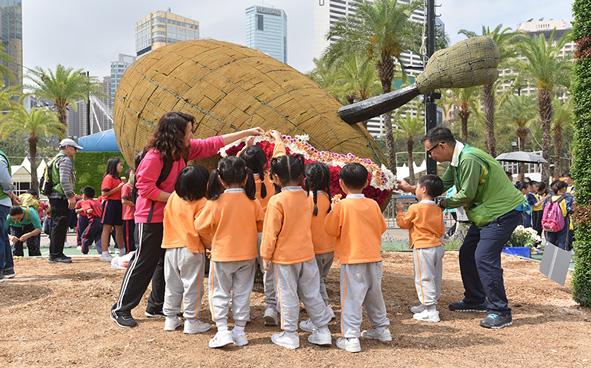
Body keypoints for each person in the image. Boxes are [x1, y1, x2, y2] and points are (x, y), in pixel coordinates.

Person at [110, 111, 264, 328]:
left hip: (172, 217)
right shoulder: (155, 156)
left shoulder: (183, 150)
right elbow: (144, 188)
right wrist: (179, 198)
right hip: (150, 218)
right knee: (144, 261)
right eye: (189, 130)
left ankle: (157, 306)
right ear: (176, 132)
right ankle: (121, 308)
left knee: (165, 263)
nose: (192, 134)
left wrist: (246, 133)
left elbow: (214, 143)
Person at [397, 127, 526, 330]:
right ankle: (475, 299)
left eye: (429, 151)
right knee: (467, 252)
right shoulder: (457, 160)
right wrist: (415, 189)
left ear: (441, 146)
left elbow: (466, 194)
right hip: (485, 215)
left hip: (502, 212)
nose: (430, 155)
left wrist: (439, 205)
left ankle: (500, 311)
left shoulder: (469, 159)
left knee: (484, 258)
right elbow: (440, 185)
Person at [260, 154, 333, 350]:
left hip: (285, 258)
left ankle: (290, 334)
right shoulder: (306, 196)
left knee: (287, 294)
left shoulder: (277, 201)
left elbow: (270, 233)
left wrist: (265, 256)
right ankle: (323, 330)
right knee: (312, 293)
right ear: (302, 176)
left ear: (275, 178)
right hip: (307, 254)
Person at [195, 157, 263, 348]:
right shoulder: (253, 202)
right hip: (248, 255)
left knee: (219, 292)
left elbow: (199, 225)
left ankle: (223, 330)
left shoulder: (215, 202)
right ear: (244, 178)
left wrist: (210, 240)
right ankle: (240, 331)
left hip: (222, 255)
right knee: (243, 293)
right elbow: (261, 224)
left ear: (220, 178)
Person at [324, 163, 390, 353]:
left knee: (352, 298)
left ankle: (351, 337)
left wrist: (332, 209)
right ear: (366, 182)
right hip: (374, 258)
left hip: (353, 260)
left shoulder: (342, 205)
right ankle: (381, 329)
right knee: (374, 296)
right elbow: (382, 227)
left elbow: (330, 229)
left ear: (341, 184)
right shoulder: (373, 204)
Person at [238, 129, 286, 326]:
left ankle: (242, 312)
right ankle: (271, 307)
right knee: (269, 273)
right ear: (266, 163)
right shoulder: (273, 177)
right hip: (269, 233)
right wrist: (278, 139)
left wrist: (246, 148)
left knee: (244, 274)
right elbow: (280, 159)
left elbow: (233, 165)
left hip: (247, 234)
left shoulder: (241, 181)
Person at [162, 165, 211, 335]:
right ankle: (191, 320)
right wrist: (209, 245)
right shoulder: (203, 203)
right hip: (191, 249)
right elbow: (203, 228)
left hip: (170, 247)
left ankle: (171, 318)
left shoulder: (173, 197)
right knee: (193, 286)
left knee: (172, 284)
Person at [395, 174, 445, 323]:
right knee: (435, 276)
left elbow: (404, 223)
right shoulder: (437, 209)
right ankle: (428, 304)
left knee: (423, 277)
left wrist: (399, 212)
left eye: (416, 187)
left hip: (423, 247)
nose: (415, 189)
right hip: (437, 245)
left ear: (423, 189)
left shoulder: (415, 207)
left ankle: (430, 310)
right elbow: (441, 230)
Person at [298, 161, 336, 333]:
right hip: (329, 249)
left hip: (314, 250)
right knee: (319, 280)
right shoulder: (329, 199)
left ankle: (322, 313)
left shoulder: (306, 200)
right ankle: (325, 310)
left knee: (314, 284)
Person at [48, 138, 82, 264]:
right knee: (60, 226)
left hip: (54, 196)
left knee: (58, 226)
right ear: (67, 147)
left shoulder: (54, 159)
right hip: (61, 197)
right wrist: (70, 196)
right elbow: (64, 180)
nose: (75, 152)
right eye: (74, 149)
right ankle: (55, 255)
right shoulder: (65, 160)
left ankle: (56, 253)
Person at [99, 157, 126, 261]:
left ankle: (122, 250)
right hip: (109, 203)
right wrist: (118, 188)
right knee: (107, 228)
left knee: (119, 227)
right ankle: (104, 253)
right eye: (120, 165)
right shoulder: (108, 177)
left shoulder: (118, 179)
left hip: (118, 203)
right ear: (114, 165)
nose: (122, 167)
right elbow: (104, 193)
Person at [543, 180, 574, 250]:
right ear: (564, 188)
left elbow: (543, 209)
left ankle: (549, 258)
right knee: (562, 241)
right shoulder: (567, 199)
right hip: (563, 221)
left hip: (549, 221)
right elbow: (571, 210)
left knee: (550, 241)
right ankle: (560, 260)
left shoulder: (548, 199)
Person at [76, 187, 103, 255]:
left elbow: (87, 207)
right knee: (98, 237)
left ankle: (84, 252)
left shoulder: (86, 202)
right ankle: (102, 253)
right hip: (101, 221)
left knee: (84, 236)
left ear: (84, 195)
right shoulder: (97, 202)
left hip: (94, 220)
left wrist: (88, 210)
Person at [120, 168, 136, 254]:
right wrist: (136, 204)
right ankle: (128, 253)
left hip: (135, 216)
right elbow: (124, 201)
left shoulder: (135, 187)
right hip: (128, 216)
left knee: (134, 237)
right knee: (129, 238)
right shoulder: (126, 186)